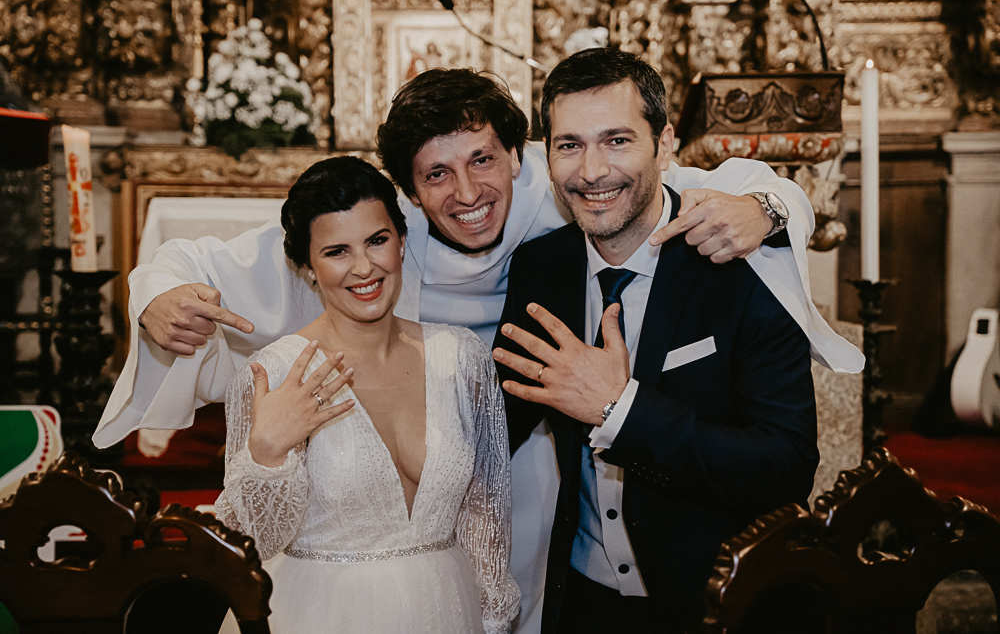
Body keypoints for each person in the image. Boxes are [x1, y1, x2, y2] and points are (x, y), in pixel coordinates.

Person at [93, 68, 861, 632]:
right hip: (444, 477)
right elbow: (209, 261)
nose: (466, 193)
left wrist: (767, 206)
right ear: (407, 191)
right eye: (436, 174)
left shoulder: (571, 198)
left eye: (483, 161)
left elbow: (705, 181)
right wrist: (156, 294)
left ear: (520, 156)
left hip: (543, 479)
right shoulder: (379, 234)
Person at [492, 48, 820, 633]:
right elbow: (501, 419)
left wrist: (621, 411)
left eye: (617, 140)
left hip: (717, 603)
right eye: (570, 145)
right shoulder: (541, 268)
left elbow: (786, 468)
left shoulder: (743, 266)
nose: (592, 170)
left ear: (664, 144)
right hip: (583, 602)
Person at [215, 156, 518, 633]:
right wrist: (267, 454)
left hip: (447, 610)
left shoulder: (462, 357)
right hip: (317, 616)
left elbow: (486, 512)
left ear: (401, 241)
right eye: (337, 251)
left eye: (377, 241)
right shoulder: (272, 374)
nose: (363, 268)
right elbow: (252, 543)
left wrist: (494, 619)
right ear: (306, 266)